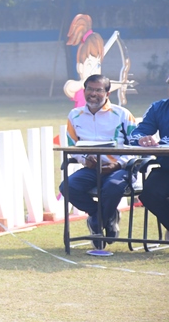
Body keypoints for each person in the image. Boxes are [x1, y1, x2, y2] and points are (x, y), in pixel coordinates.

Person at [59, 74, 137, 249]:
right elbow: (72, 145)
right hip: (92, 169)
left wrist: (118, 164)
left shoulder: (122, 114)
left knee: (112, 187)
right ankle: (103, 216)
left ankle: (96, 222)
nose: (93, 94)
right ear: (84, 91)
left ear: (107, 93)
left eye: (98, 90)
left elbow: (136, 146)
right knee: (67, 187)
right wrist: (85, 159)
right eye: (89, 89)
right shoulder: (75, 115)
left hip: (120, 168)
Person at [129, 81, 169, 237]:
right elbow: (136, 134)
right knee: (149, 194)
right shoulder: (158, 108)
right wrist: (142, 139)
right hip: (166, 168)